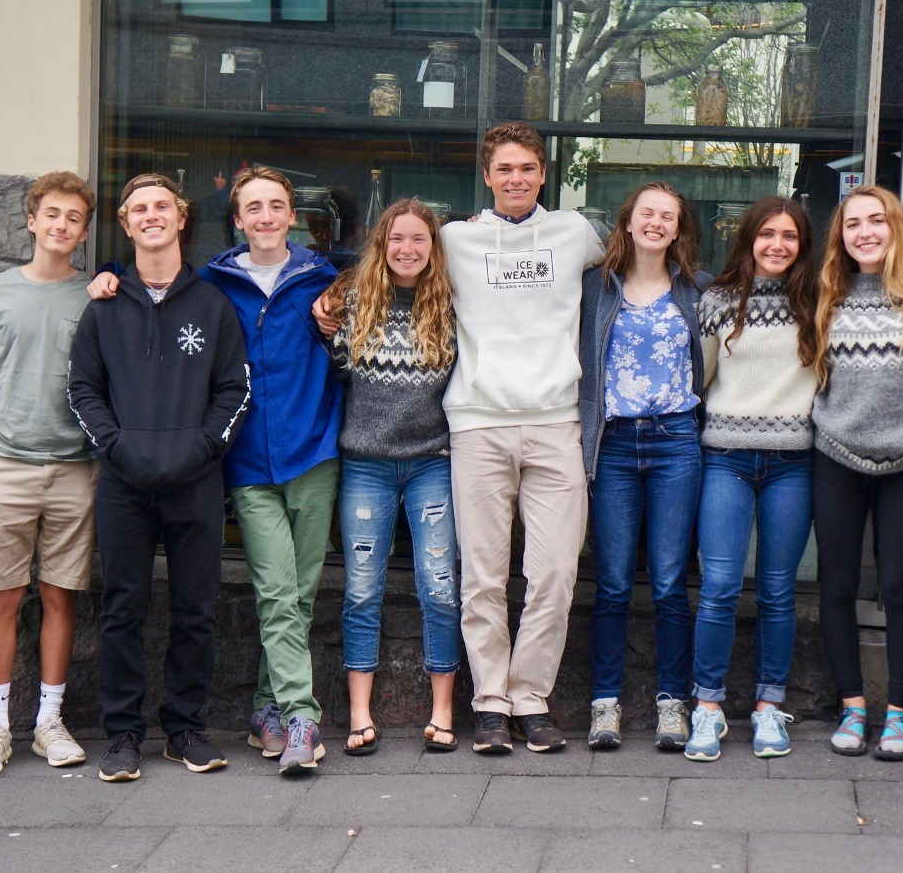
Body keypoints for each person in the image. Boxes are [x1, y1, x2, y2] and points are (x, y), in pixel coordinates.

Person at [67, 172, 251, 782]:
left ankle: (185, 728)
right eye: (139, 208)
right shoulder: (103, 306)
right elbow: (83, 389)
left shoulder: (213, 305)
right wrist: (116, 446)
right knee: (122, 608)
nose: (152, 215)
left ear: (181, 217)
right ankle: (122, 734)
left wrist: (202, 448)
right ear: (126, 224)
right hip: (124, 482)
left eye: (162, 206)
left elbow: (234, 389)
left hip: (196, 480)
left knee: (196, 609)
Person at [436, 121, 604, 754]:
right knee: (482, 575)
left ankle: (530, 698)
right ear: (487, 176)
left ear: (543, 174)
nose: (516, 178)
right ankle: (489, 702)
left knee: (555, 573)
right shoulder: (454, 239)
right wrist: (328, 302)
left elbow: (639, 260)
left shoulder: (574, 232)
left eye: (527, 168)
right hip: (479, 423)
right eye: (504, 169)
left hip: (557, 422)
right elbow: (391, 264)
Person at [200, 166, 343, 775]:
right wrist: (109, 273)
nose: (265, 216)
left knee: (299, 595)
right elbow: (152, 288)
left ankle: (266, 708)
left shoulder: (324, 278)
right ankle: (302, 719)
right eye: (253, 207)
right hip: (248, 460)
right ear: (238, 219)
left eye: (276, 206)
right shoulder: (212, 284)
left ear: (292, 216)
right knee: (277, 591)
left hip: (313, 451)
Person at [0, 172, 99, 777]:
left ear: (84, 231)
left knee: (59, 594)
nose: (61, 225)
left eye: (73, 217)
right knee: (2, 595)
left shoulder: (93, 296)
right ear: (31, 220)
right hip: (7, 465)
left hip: (74, 467)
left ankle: (49, 721)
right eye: (52, 214)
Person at [318, 198, 461, 755]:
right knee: (361, 590)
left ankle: (443, 711)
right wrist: (320, 311)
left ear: (434, 247)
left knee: (440, 587)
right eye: (397, 238)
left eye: (419, 238)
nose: (407, 248)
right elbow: (331, 367)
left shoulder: (452, 303)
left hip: (432, 463)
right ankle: (360, 715)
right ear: (382, 243)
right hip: (366, 466)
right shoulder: (351, 302)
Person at [685, 195, 819, 763]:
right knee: (718, 585)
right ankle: (707, 706)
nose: (777, 245)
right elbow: (700, 378)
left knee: (777, 590)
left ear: (802, 245)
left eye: (789, 236)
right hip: (726, 459)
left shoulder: (819, 301)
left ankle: (769, 706)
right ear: (748, 239)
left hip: (793, 463)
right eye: (767, 234)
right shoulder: (718, 300)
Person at [578, 181, 711, 751]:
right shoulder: (594, 287)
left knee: (669, 583)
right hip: (612, 442)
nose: (656, 223)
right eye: (647, 214)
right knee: (611, 583)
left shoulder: (698, 290)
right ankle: (604, 705)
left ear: (677, 230)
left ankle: (672, 705)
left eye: (668, 217)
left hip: (675, 441)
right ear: (628, 222)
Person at [811, 185, 903, 761]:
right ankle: (853, 706)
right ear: (840, 236)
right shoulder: (825, 296)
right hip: (836, 457)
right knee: (838, 588)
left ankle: (899, 715)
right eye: (852, 224)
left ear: (896, 228)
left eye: (876, 221)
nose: (864, 232)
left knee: (898, 588)